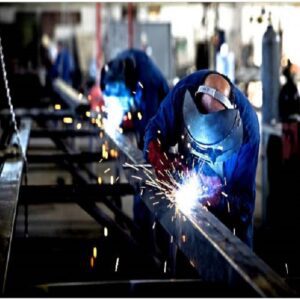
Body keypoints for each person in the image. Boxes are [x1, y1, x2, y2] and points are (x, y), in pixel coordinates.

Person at [144, 70, 260, 248]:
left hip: (232, 231)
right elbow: (155, 129)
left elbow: (244, 207)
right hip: (189, 220)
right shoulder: (182, 94)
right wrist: (158, 156)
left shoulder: (248, 128)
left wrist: (218, 200)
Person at [100, 48, 169, 149]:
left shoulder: (148, 82)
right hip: (140, 95)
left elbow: (149, 119)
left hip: (159, 104)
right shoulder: (120, 64)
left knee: (151, 140)